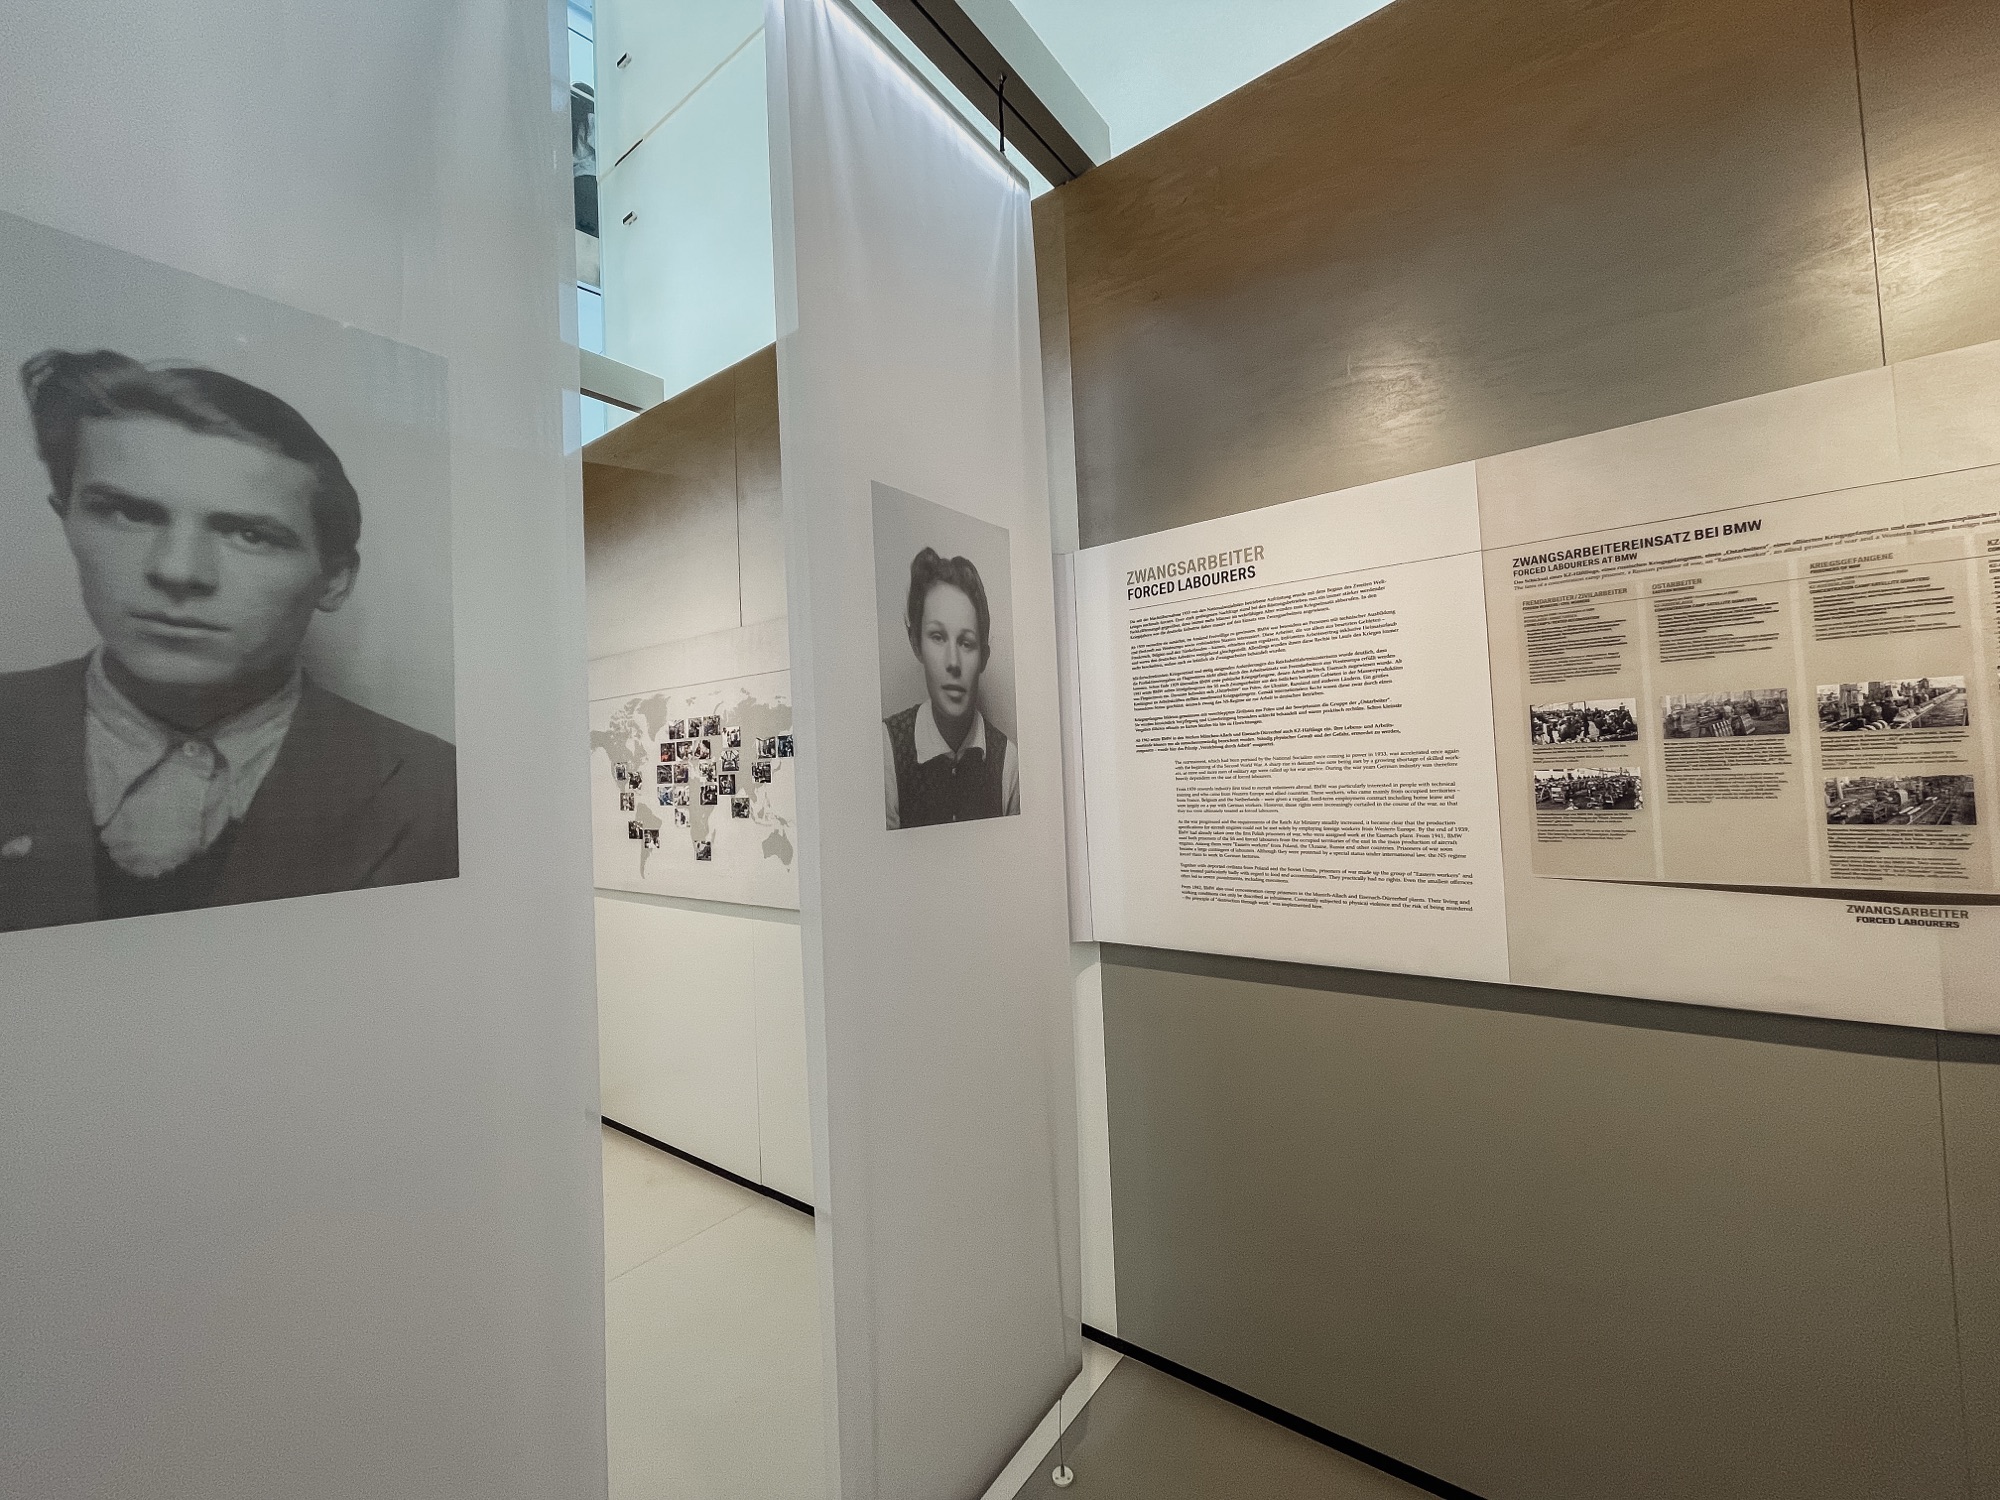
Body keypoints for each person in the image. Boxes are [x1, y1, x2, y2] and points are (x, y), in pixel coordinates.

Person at [0, 349, 457, 933]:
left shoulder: (435, 791)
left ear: (334, 579)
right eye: (127, 513)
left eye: (248, 533)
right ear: (66, 520)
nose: (178, 571)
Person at [882, 547, 1019, 829]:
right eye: (937, 637)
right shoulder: (885, 749)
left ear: (984, 657)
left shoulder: (1008, 762)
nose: (953, 662)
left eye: (966, 643)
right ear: (916, 644)